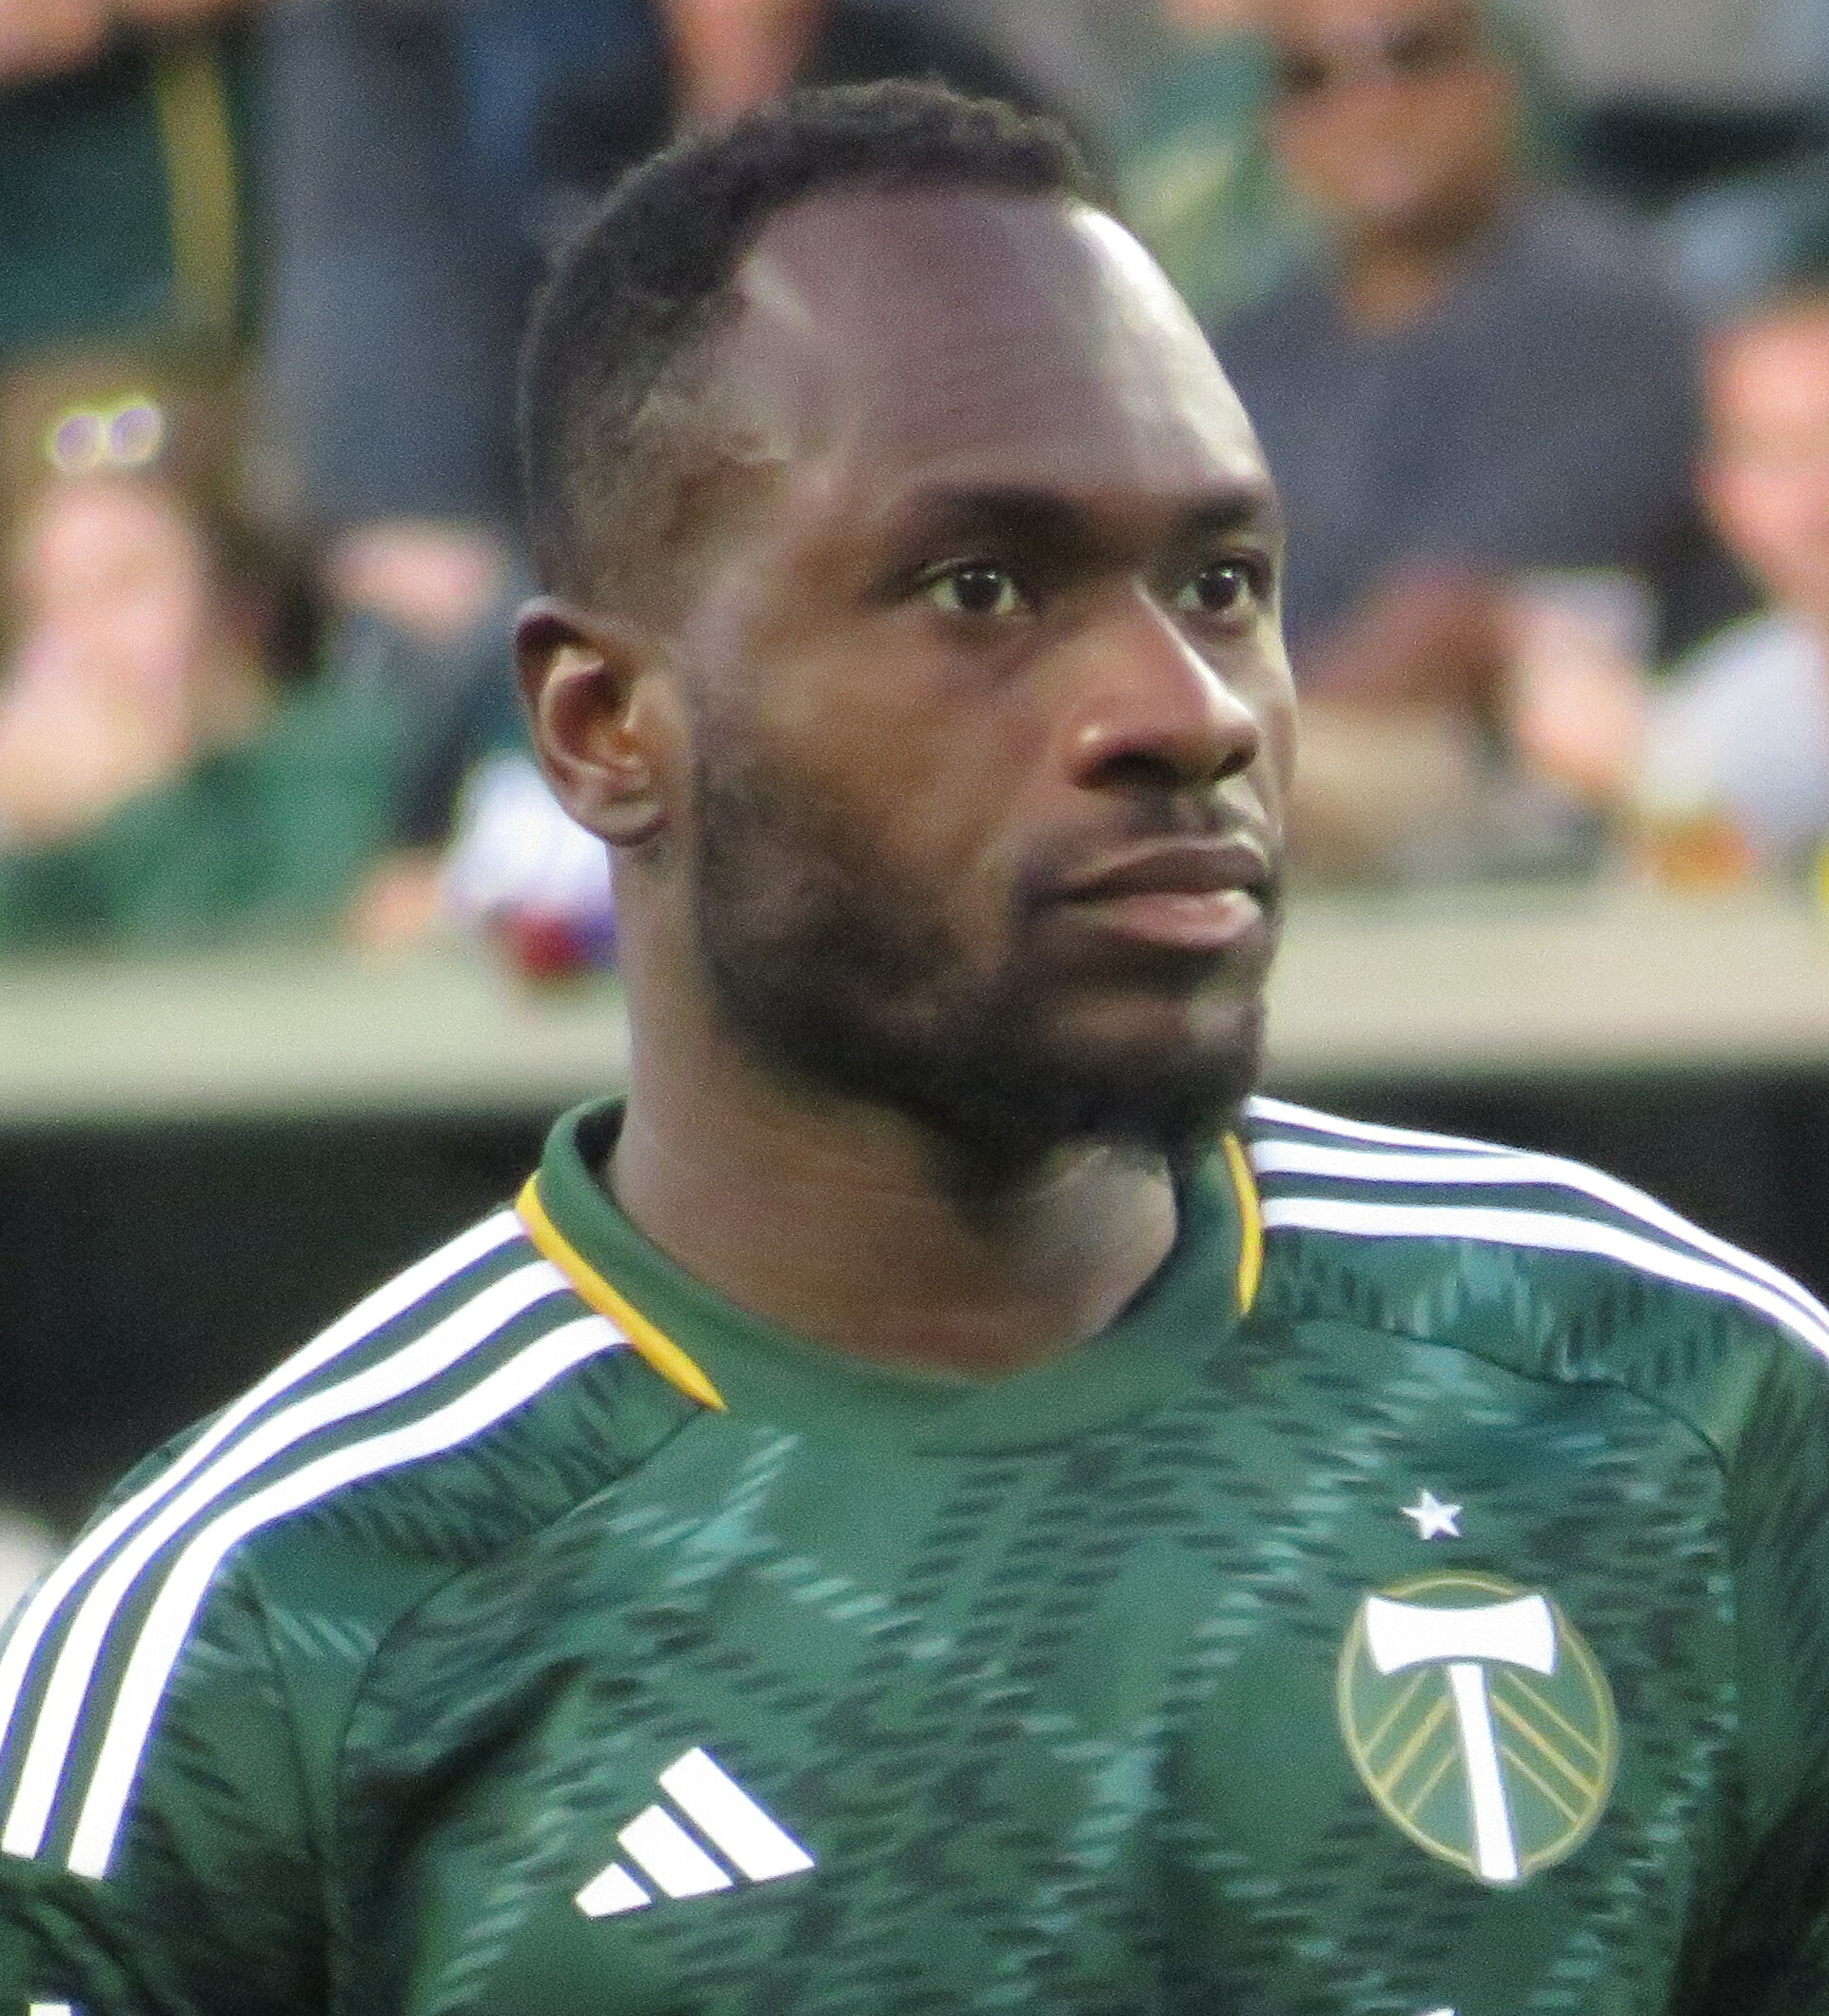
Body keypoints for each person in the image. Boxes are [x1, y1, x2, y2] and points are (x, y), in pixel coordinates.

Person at [3, 79, 1829, 2014]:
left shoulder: (1677, 1412)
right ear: (606, 724)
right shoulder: (272, 1629)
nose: (1183, 708)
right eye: (982, 587)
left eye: (1222, 584)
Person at [1213, 0, 1745, 867]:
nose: (1368, 103)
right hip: (1282, 746)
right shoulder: (1254, 342)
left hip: (1529, 786)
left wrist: (1207, 750)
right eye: (1312, 77)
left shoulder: (1601, 309)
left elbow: (1443, 639)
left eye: (1410, 56)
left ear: (1496, 81)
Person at [0, 463, 398, 948]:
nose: (82, 636)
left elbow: (262, 938)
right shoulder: (42, 817)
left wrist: (141, 797)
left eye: (124, 583)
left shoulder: (337, 754)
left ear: (233, 601)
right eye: (51, 601)